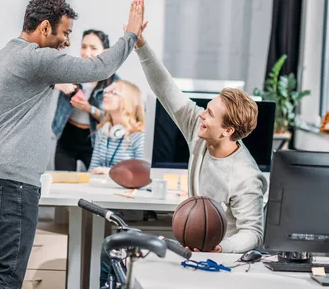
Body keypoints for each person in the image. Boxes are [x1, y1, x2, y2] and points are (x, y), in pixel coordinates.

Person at [0, 0, 146, 288]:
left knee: (0, 273)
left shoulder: (3, 56)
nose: (67, 42)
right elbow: (97, 69)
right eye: (65, 33)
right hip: (11, 181)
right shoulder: (36, 59)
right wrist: (130, 35)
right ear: (44, 28)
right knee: (4, 279)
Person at [134, 20, 267, 254]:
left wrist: (219, 248)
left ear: (228, 131)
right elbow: (166, 88)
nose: (201, 115)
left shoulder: (245, 176)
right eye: (206, 108)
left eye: (210, 114)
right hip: (200, 249)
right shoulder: (200, 129)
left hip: (229, 260)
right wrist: (140, 43)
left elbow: (253, 233)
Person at [51, 29, 119, 171]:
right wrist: (57, 83)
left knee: (94, 186)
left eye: (93, 48)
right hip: (66, 136)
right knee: (64, 186)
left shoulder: (115, 84)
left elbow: (116, 121)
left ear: (105, 52)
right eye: (83, 47)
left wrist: (89, 109)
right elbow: (39, 79)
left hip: (95, 140)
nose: (87, 53)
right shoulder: (69, 72)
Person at [89, 80, 145, 174]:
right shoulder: (103, 131)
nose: (106, 95)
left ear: (128, 101)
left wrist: (111, 172)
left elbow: (143, 173)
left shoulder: (139, 136)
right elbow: (92, 169)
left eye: (113, 93)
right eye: (106, 91)